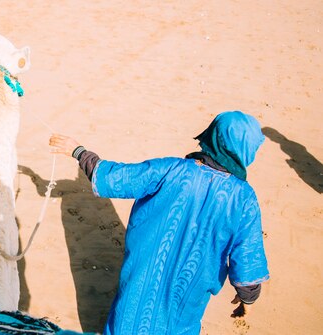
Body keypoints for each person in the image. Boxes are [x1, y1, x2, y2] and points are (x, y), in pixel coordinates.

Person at [49, 111, 270, 335]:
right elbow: (248, 260)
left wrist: (79, 152)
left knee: (128, 320)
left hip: (141, 281)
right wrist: (247, 299)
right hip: (189, 295)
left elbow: (116, 177)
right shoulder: (244, 200)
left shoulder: (171, 169)